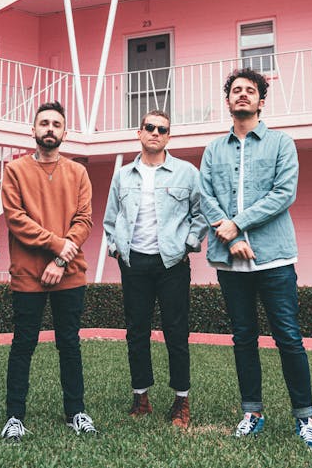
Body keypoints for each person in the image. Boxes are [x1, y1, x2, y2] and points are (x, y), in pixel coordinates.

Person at [199, 68, 312, 453]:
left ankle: (305, 418)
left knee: (288, 337)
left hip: (274, 259)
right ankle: (252, 413)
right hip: (230, 261)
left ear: (260, 100)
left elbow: (283, 194)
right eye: (235, 90)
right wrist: (230, 234)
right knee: (243, 338)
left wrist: (236, 225)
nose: (242, 95)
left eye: (249, 91)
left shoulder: (282, 144)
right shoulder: (212, 150)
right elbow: (206, 197)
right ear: (228, 100)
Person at [0, 101, 97, 442]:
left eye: (57, 123)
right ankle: (14, 416)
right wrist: (57, 246)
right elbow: (16, 218)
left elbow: (84, 220)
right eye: (44, 123)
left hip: (69, 274)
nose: (50, 128)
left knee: (69, 344)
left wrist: (60, 261)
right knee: (23, 344)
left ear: (65, 132)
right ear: (34, 130)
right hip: (27, 274)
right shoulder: (14, 171)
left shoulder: (78, 172)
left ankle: (76, 412)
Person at [103, 110, 206, 429]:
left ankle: (181, 400)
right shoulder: (122, 175)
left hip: (172, 263)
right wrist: (115, 247)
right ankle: (141, 397)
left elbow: (201, 214)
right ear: (139, 132)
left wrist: (186, 244)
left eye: (162, 129)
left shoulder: (187, 173)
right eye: (150, 127)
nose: (155, 133)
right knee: (137, 331)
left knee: (177, 331)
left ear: (168, 136)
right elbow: (110, 219)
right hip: (134, 263)